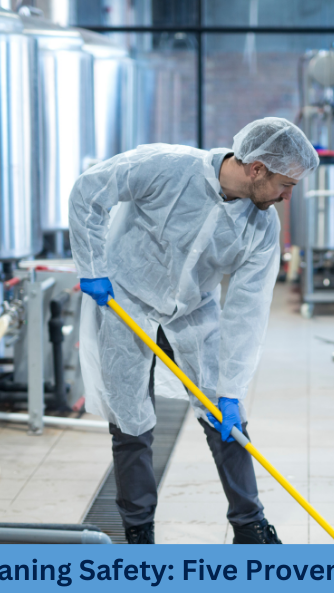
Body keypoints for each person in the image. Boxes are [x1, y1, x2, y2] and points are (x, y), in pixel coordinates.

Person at [69, 118, 319, 545]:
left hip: (190, 309)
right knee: (130, 422)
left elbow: (248, 309)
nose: (287, 197)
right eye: (285, 184)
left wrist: (232, 387)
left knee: (226, 417)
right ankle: (138, 531)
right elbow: (89, 191)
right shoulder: (166, 166)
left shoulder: (261, 227)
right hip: (125, 297)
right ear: (256, 169)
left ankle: (250, 525)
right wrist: (92, 268)